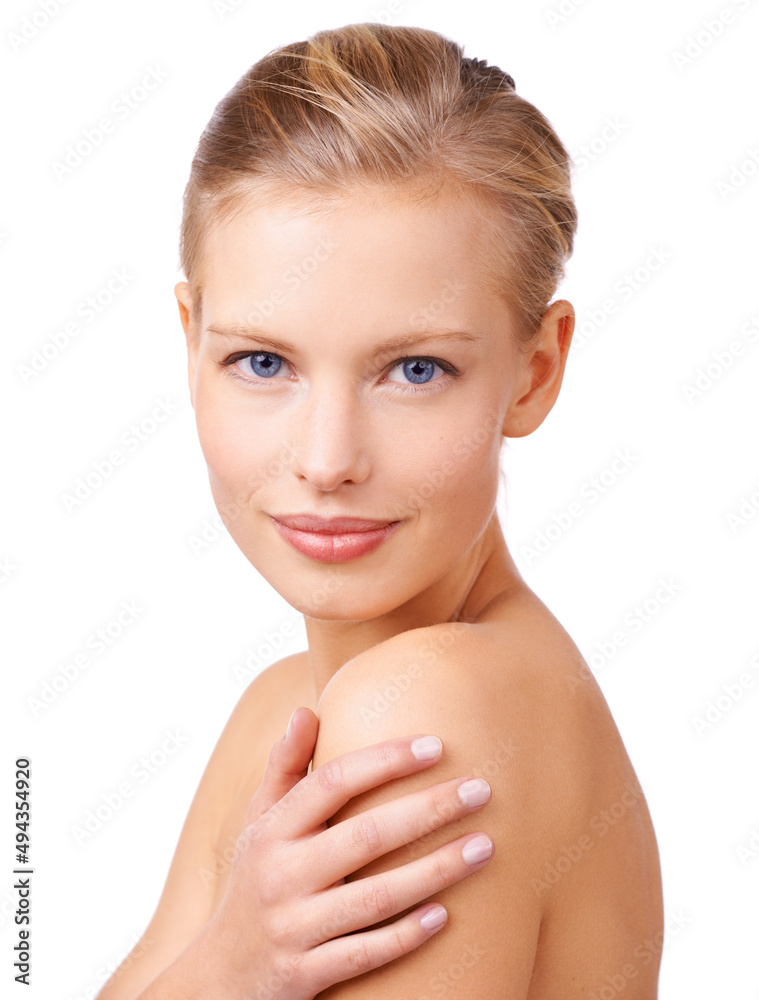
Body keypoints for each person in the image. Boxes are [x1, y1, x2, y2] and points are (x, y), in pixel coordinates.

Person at [98, 21, 663, 999]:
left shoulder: (426, 708)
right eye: (263, 362)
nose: (326, 460)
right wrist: (230, 967)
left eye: (414, 369)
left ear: (535, 372)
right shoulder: (283, 712)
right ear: (191, 343)